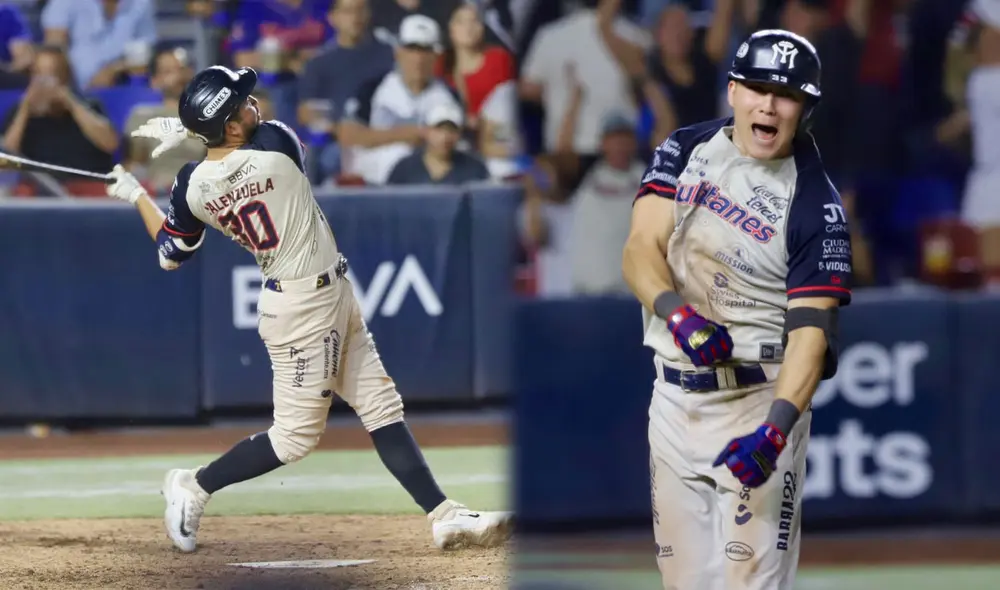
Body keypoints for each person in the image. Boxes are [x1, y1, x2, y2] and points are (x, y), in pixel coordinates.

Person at [102, 65, 513, 553]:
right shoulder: (277, 145)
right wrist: (195, 134)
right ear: (231, 126)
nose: (256, 105)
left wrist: (137, 195)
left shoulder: (191, 185)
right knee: (295, 438)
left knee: (381, 404)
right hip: (302, 307)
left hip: (325, 291)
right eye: (243, 105)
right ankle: (194, 484)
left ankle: (446, 516)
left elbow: (171, 253)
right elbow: (255, 140)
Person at [622, 30, 853, 590]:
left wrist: (775, 432)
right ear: (732, 91)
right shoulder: (684, 147)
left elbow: (812, 335)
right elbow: (638, 250)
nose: (768, 104)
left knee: (750, 584)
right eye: (755, 88)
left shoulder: (816, 204)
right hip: (674, 401)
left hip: (757, 400)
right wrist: (679, 315)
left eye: (787, 94)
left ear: (805, 109)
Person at [386, 102, 491, 185]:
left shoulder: (475, 168)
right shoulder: (405, 168)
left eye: (452, 130)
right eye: (438, 129)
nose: (445, 137)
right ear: (426, 131)